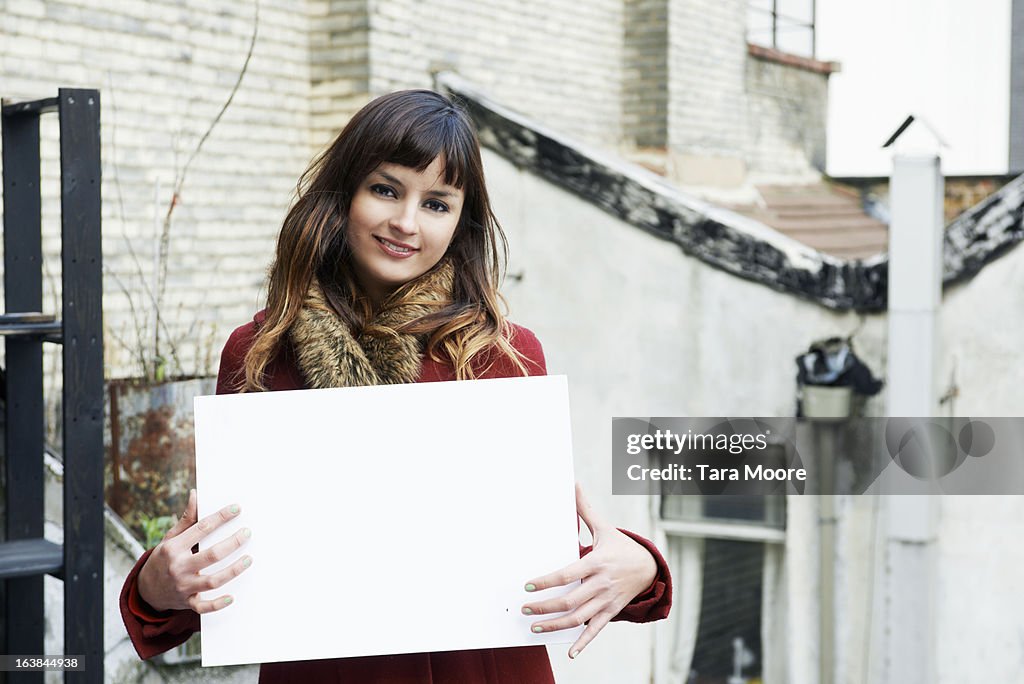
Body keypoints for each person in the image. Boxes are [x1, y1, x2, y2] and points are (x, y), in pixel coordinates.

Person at [119, 89, 672, 683]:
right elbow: (225, 564)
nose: (406, 223)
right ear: (344, 194)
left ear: (461, 222)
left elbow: (525, 562)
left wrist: (640, 566)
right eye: (386, 189)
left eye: (437, 203)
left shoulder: (501, 356)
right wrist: (157, 581)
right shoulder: (258, 356)